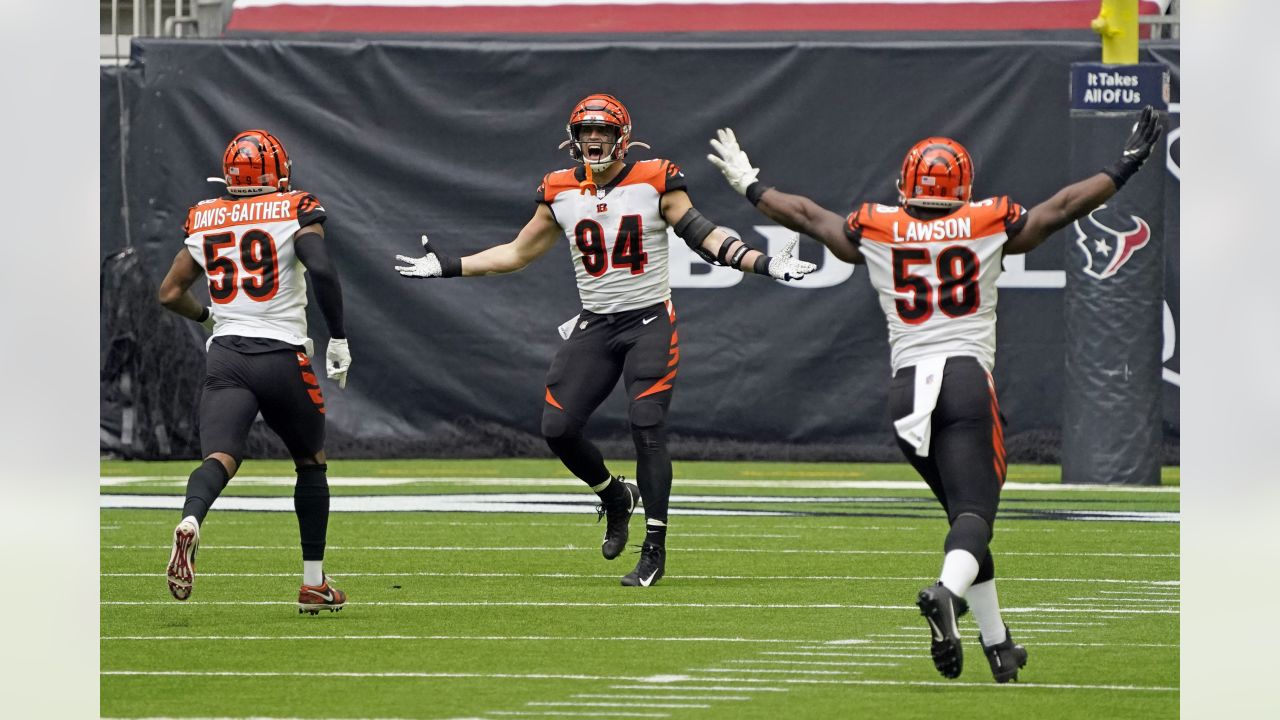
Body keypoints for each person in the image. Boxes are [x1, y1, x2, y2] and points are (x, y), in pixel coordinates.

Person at [707, 107, 1163, 681]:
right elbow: (1064, 207)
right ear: (963, 187)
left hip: (906, 393)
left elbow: (804, 214)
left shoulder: (876, 226)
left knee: (963, 520)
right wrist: (1122, 168)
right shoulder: (988, 220)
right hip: (966, 381)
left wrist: (750, 185)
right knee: (976, 514)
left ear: (906, 185)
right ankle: (945, 593)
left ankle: (999, 646)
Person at [395, 93, 815, 587]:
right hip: (596, 324)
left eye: (604, 131)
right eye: (586, 131)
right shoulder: (558, 190)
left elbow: (704, 236)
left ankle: (654, 547)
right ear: (573, 138)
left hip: (648, 321)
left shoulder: (655, 177)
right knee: (557, 427)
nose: (594, 140)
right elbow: (516, 253)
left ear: (623, 137)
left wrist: (765, 263)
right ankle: (615, 494)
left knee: (646, 423)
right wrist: (448, 266)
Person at [158, 129, 353, 614]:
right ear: (279, 172)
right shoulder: (295, 206)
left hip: (225, 354)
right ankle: (313, 584)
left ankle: (191, 520)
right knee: (311, 463)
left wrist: (209, 317)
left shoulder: (205, 215)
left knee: (219, 457)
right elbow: (322, 269)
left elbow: (169, 292)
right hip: (282, 353)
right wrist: (340, 336)